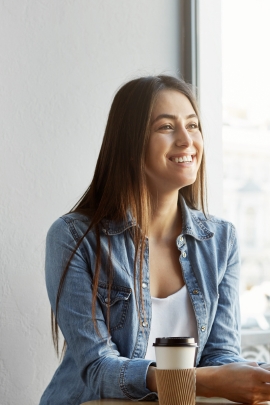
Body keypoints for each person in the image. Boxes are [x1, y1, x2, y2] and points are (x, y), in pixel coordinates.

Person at [39, 75, 270, 405]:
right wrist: (194, 380)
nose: (186, 140)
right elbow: (98, 369)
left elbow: (220, 356)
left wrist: (244, 377)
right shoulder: (74, 238)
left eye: (193, 125)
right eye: (166, 127)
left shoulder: (220, 240)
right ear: (130, 142)